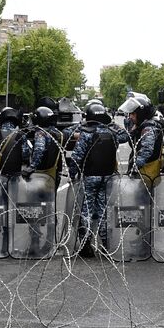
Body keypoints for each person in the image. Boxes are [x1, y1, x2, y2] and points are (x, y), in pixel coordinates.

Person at [66, 100, 127, 255]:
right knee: (104, 211)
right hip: (107, 176)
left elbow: (77, 157)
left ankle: (86, 245)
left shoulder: (86, 134)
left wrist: (72, 174)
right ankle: (107, 244)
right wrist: (111, 123)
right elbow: (125, 136)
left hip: (90, 177)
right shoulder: (112, 134)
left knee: (86, 211)